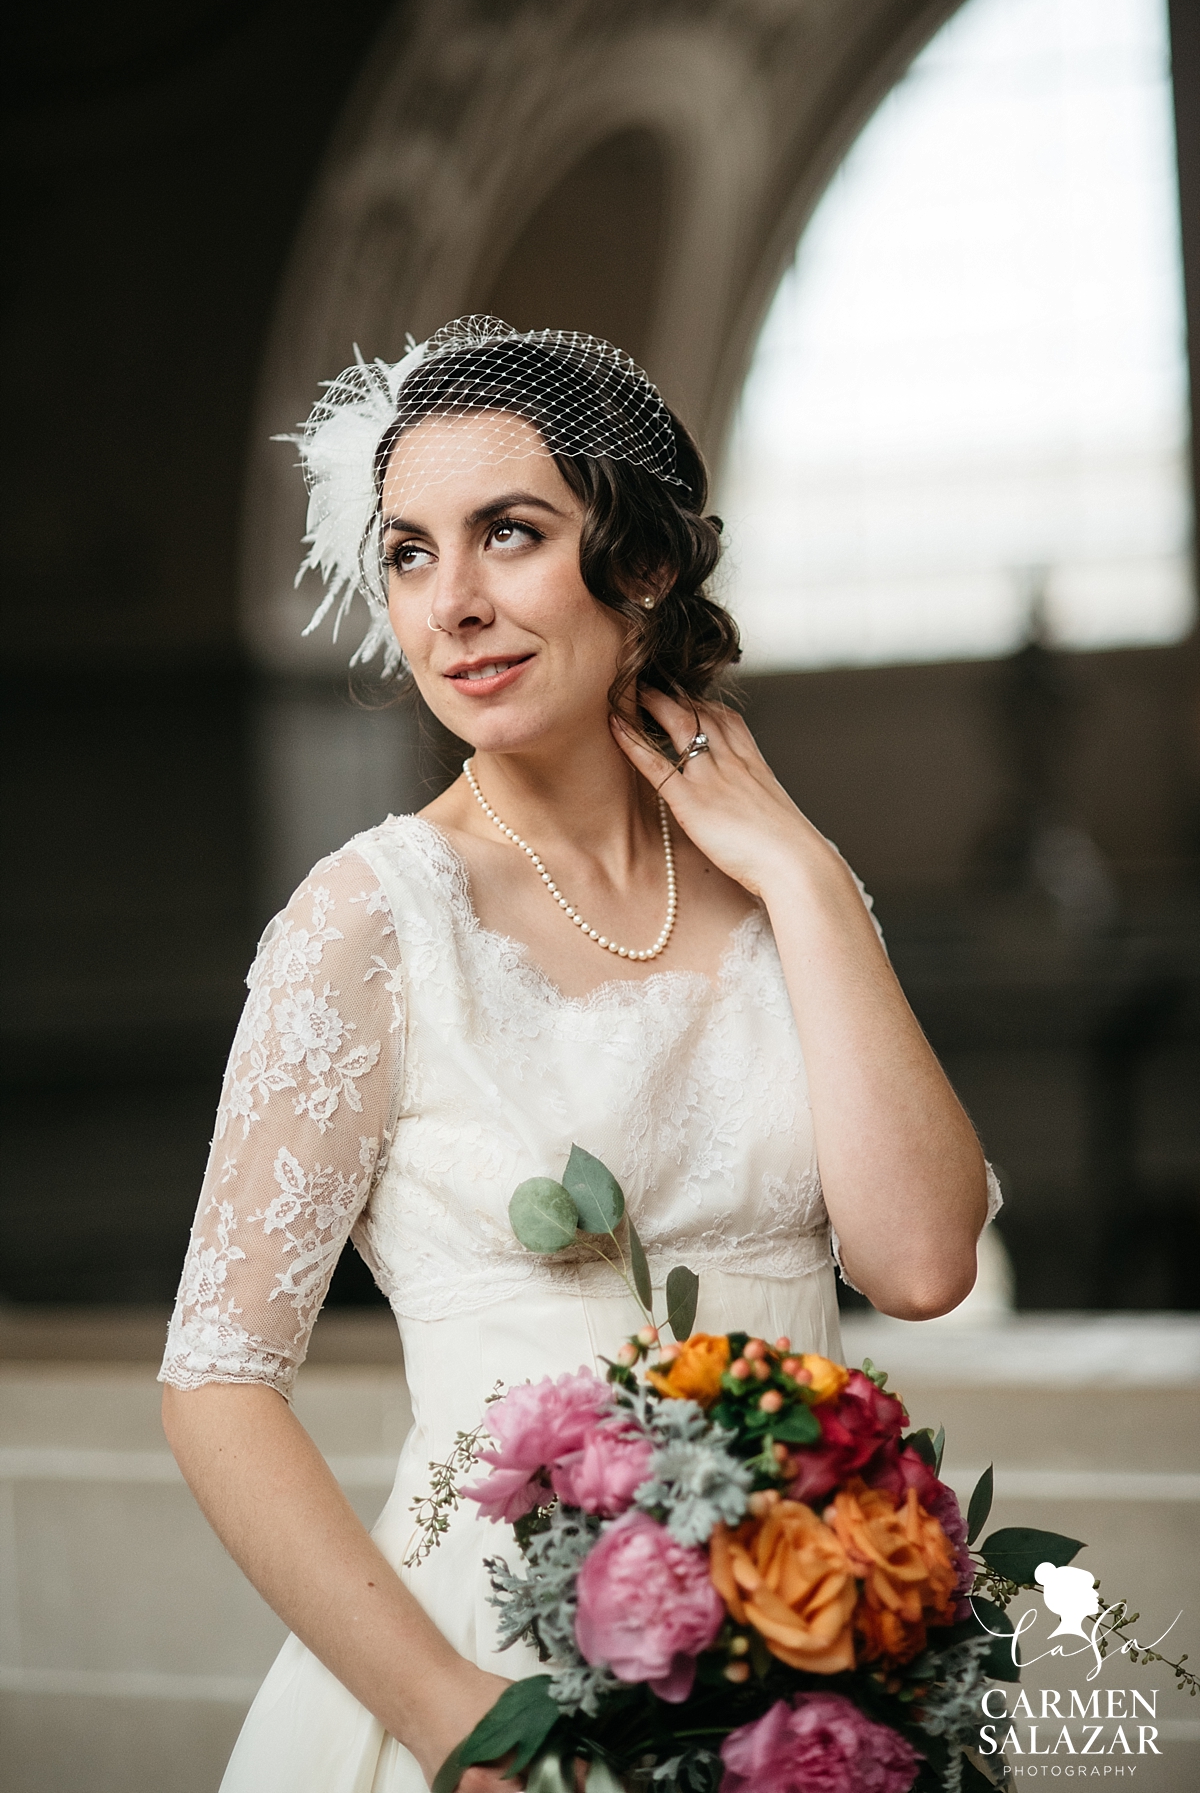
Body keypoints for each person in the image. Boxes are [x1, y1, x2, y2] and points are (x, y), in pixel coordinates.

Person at [160, 316, 995, 1792]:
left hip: (799, 1661)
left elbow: (923, 1262)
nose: (454, 603)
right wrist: (453, 1717)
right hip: (485, 1675)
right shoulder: (372, 921)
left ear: (647, 564)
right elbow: (217, 1382)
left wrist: (799, 873)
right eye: (411, 552)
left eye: (511, 533)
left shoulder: (787, 891)